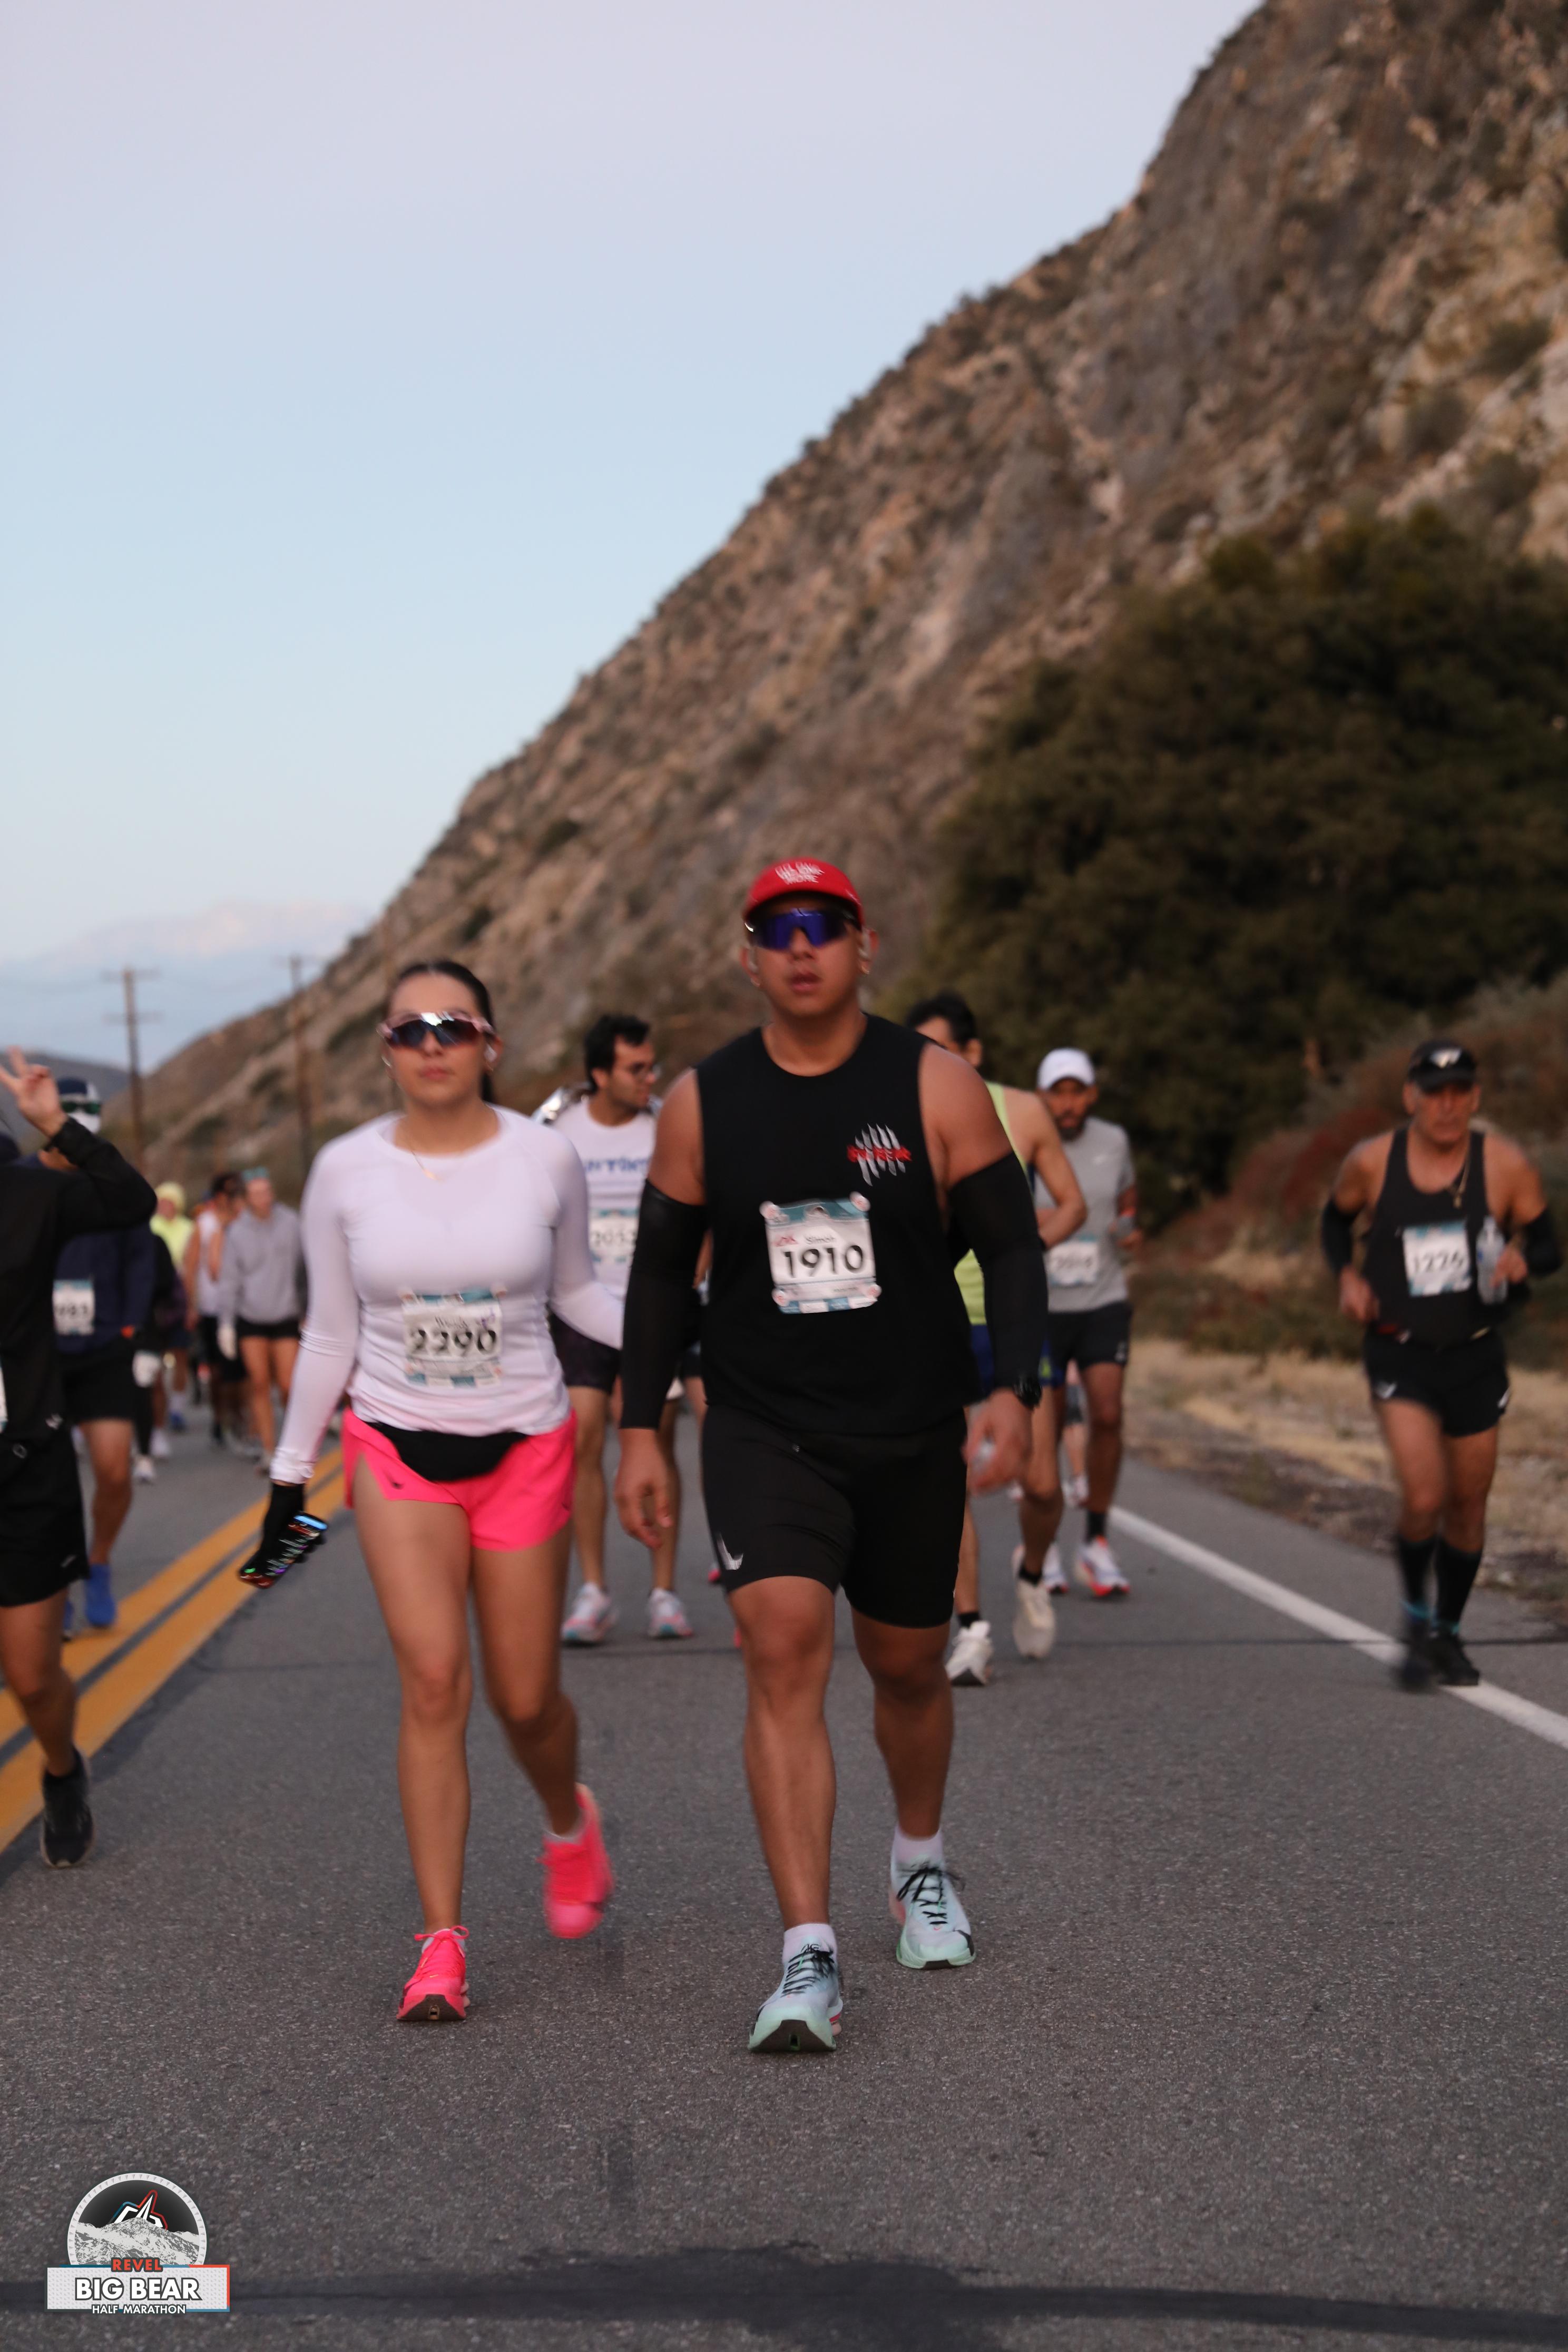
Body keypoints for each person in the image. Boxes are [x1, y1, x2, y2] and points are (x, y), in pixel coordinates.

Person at [615, 860, 1048, 2055]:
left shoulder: (935, 1083)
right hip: (765, 1423)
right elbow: (660, 1274)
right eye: (776, 929)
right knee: (782, 1643)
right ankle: (806, 1947)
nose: (799, 945)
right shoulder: (704, 1102)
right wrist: (641, 1425)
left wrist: (1012, 1388)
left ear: (865, 944)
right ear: (747, 956)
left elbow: (1012, 1247)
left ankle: (919, 1860)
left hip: (910, 1424)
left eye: (823, 925)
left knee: (907, 1665)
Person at [250, 958, 622, 2022]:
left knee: (524, 1697)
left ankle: (567, 1821)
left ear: (490, 1043)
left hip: (525, 1445)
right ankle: (441, 1943)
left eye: (451, 1025)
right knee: (430, 1680)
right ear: (385, 1050)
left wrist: (686, 1339)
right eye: (407, 1029)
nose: (430, 1044)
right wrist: (289, 1476)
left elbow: (579, 1295)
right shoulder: (344, 1169)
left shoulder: (544, 1157)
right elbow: (329, 1334)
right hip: (394, 1448)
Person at [1323, 1037, 1559, 1689]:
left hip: (1476, 1353)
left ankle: (1448, 1634)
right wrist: (1346, 1276)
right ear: (1411, 1098)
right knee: (1425, 1495)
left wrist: (1523, 1261)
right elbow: (1335, 1222)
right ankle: (1415, 1619)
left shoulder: (1505, 1165)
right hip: (1399, 1351)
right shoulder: (1372, 1161)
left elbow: (1549, 1246)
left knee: (1468, 1504)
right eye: (1434, 1094)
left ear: (1475, 1098)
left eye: (1459, 1093)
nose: (1447, 1106)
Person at [0, 1047, 158, 1865]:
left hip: (23, 1466)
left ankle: (62, 1769)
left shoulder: (29, 1194)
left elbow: (132, 1201)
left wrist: (57, 1125)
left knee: (32, 1677)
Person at [904, 993, 1085, 1685]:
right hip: (941, 1317)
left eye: (943, 1050)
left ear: (973, 1053)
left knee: (1040, 1483)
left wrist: (1019, 1248)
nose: (930, 1065)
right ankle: (972, 1626)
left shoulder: (1024, 1112)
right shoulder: (903, 1116)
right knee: (947, 1477)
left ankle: (1032, 1574)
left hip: (1012, 1318)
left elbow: (1073, 1204)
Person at [546, 1015, 692, 1644]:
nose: (649, 1078)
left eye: (652, 1067)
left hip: (651, 1311)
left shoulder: (666, 1126)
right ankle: (595, 1590)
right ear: (600, 1074)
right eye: (636, 1069)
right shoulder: (559, 1135)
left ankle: (664, 1591)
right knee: (582, 1438)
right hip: (582, 1310)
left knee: (656, 1437)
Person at [35, 1079, 158, 1632]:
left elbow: (141, 1262)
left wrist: (135, 1332)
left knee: (112, 1470)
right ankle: (55, 1583)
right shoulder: (23, 1181)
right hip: (40, 1357)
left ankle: (99, 1561)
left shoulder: (112, 1184)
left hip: (105, 1346)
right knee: (49, 1483)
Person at [1036, 1049, 1142, 1598]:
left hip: (1103, 1296)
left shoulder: (1114, 1141)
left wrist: (1127, 1223)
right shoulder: (1026, 1139)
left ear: (1092, 1095)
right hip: (1044, 1305)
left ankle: (1096, 1540)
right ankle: (1043, 1544)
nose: (1068, 1104)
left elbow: (1126, 1196)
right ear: (1042, 1097)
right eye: (1058, 1093)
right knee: (1048, 1427)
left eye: (1077, 1092)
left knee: (1107, 1412)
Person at [215, 1169, 305, 1467]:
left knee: (289, 1384)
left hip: (286, 1313)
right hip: (251, 1317)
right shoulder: (237, 1232)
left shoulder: (291, 1223)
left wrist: (309, 1309)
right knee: (259, 1383)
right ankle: (269, 1449)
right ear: (247, 1198)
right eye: (256, 1194)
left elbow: (306, 1268)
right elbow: (230, 1280)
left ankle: (295, 1445)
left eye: (266, 1191)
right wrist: (226, 1324)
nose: (263, 1198)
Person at [191, 1173, 248, 1447]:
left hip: (244, 1308)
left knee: (242, 1370)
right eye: (229, 1192)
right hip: (212, 1307)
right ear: (219, 1196)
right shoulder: (205, 1224)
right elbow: (194, 1266)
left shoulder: (246, 1221)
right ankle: (219, 1416)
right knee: (217, 1371)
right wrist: (191, 1305)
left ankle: (241, 1417)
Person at [149, 1180, 194, 1435]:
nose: (165, 1206)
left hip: (179, 1297)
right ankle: (158, 1413)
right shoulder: (152, 1228)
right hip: (158, 1298)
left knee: (181, 1354)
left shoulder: (189, 1228)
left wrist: (191, 1304)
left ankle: (177, 1407)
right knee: (156, 1359)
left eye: (169, 1202)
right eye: (162, 1201)